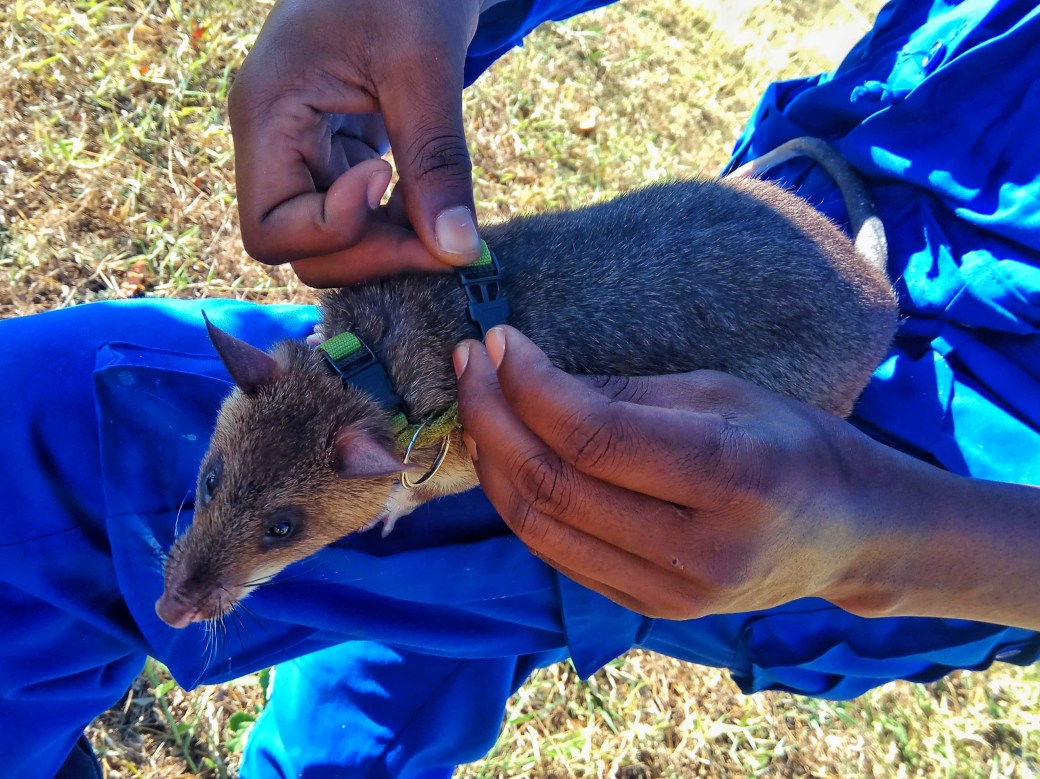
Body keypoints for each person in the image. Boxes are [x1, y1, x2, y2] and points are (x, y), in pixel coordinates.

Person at [0, 1, 1036, 778]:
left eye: (270, 525)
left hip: (898, 482)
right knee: (397, 659)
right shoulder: (325, 407)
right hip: (774, 220)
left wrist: (886, 538)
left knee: (44, 436)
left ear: (386, 462)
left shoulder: (395, 451)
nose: (195, 594)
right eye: (224, 474)